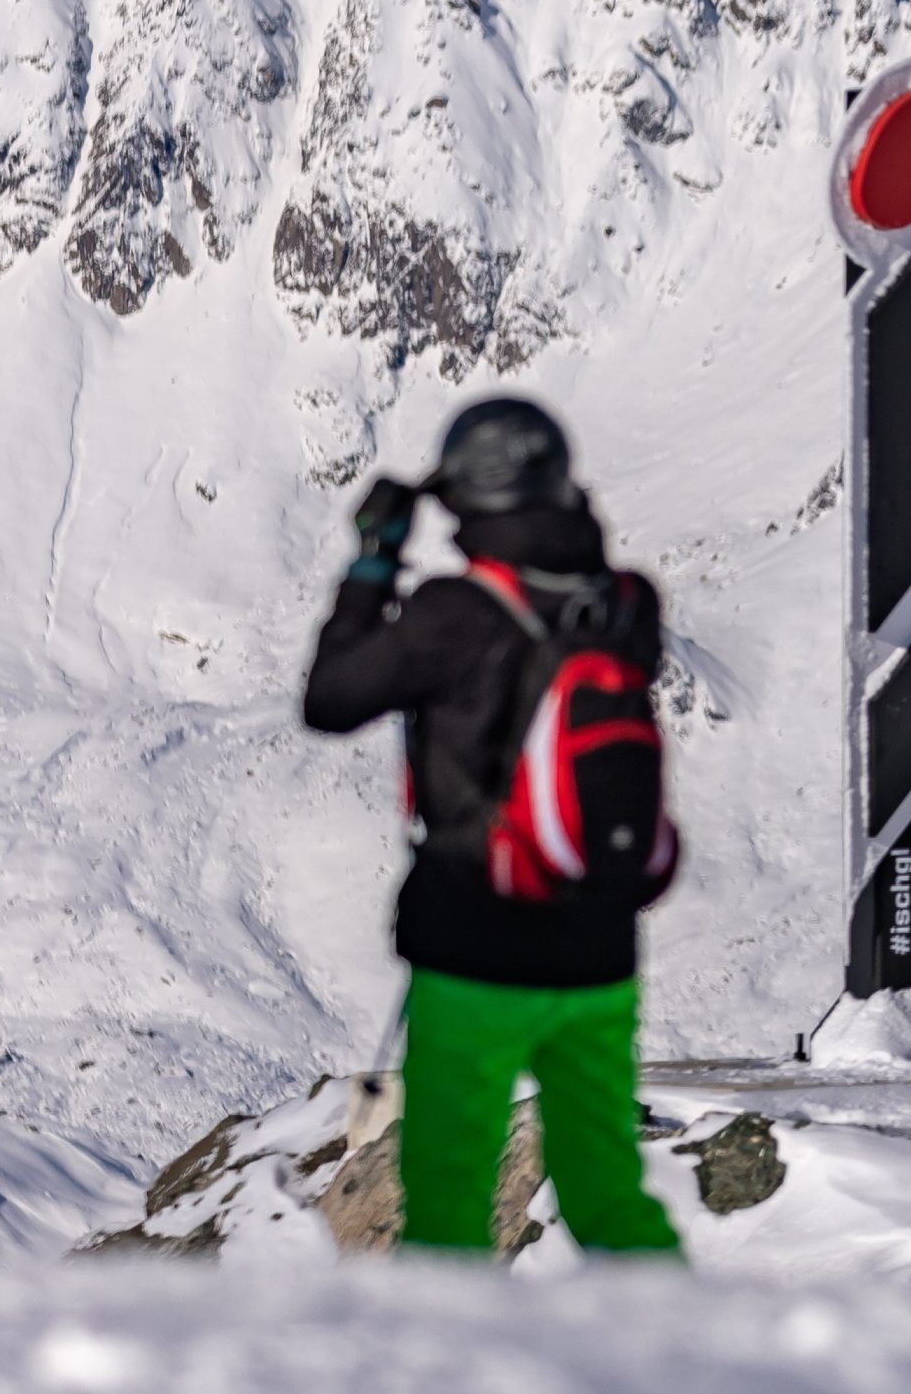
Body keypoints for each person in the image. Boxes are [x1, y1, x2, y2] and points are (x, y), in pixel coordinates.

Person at [303, 397, 683, 1257]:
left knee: (450, 1186)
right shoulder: (628, 604)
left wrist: (373, 561)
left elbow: (329, 699)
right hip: (596, 939)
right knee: (601, 1184)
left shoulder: (452, 615)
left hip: (474, 930)